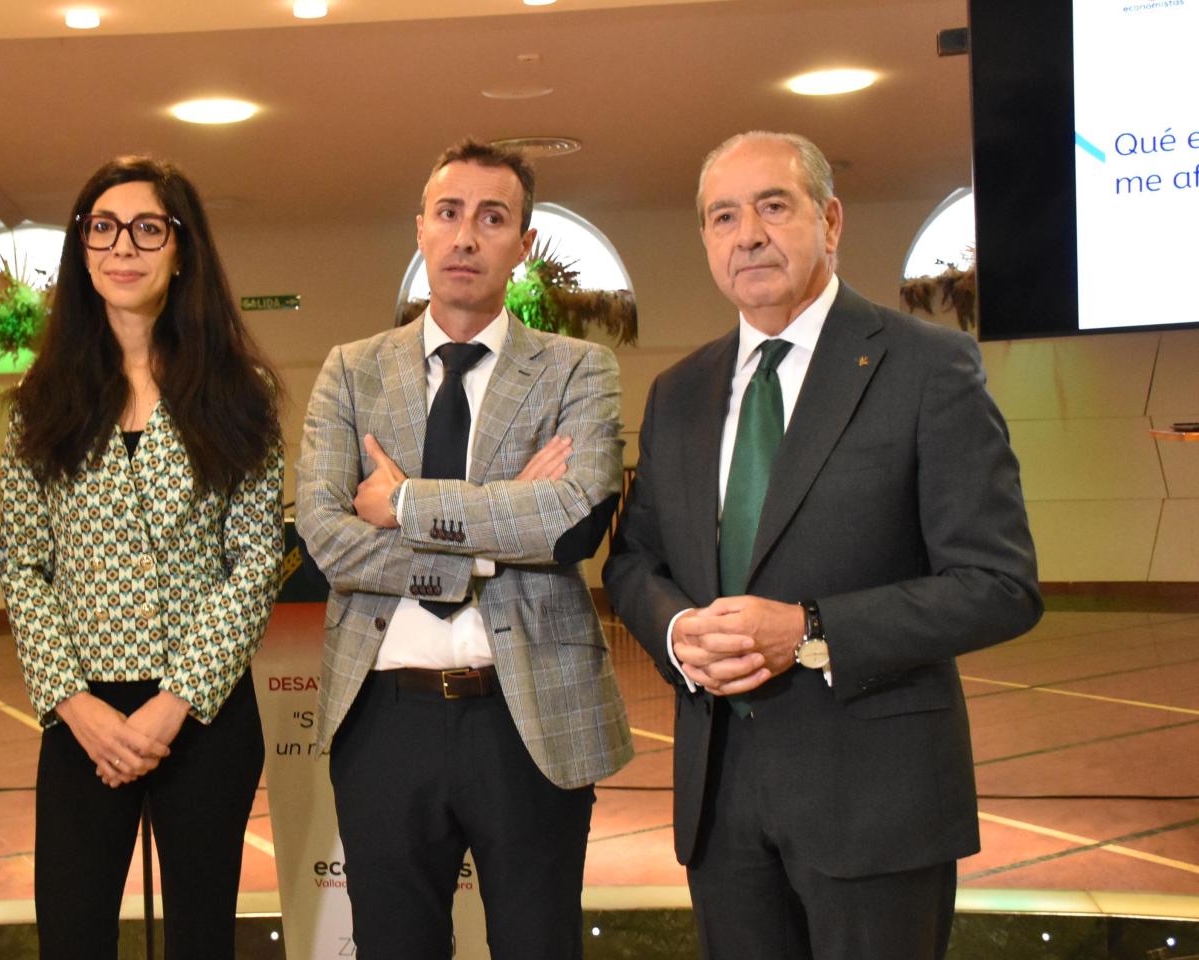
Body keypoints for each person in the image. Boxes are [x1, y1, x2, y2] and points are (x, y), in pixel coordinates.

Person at [603, 131, 1043, 959]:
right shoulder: (680, 392)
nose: (749, 235)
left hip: (877, 798)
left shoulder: (928, 369)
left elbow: (999, 583)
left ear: (830, 220)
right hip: (719, 798)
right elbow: (634, 560)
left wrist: (809, 629)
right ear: (705, 240)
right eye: (723, 216)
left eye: (774, 206)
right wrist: (674, 631)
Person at [294, 139, 631, 959]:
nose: (467, 236)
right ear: (420, 228)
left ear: (522, 242)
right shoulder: (351, 371)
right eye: (449, 214)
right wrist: (495, 534)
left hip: (530, 720)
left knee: (538, 944)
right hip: (384, 718)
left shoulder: (578, 370)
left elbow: (571, 521)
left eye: (492, 218)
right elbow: (329, 539)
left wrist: (405, 502)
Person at [0, 155, 284, 960]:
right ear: (82, 250)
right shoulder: (42, 399)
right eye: (103, 229)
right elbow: (23, 564)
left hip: (203, 712)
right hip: (82, 716)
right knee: (74, 932)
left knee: (201, 938)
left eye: (147, 228)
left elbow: (254, 561)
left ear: (182, 249)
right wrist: (73, 703)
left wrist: (174, 702)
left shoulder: (239, 393)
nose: (123, 247)